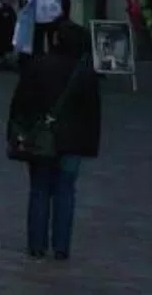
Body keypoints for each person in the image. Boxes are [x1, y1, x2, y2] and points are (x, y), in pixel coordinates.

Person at [6, 18, 102, 261]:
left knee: (39, 190)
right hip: (73, 141)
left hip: (41, 138)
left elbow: (20, 103)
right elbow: (92, 113)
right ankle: (61, 246)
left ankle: (36, 245)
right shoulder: (85, 73)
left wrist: (18, 132)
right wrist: (90, 145)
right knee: (65, 192)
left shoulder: (38, 65)